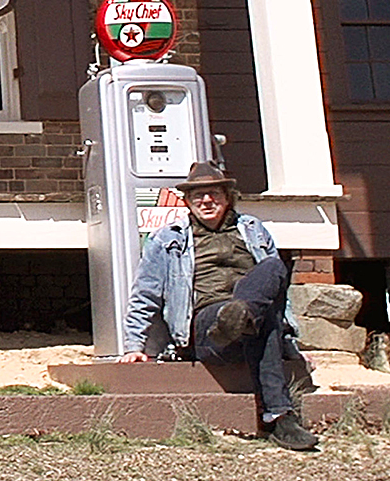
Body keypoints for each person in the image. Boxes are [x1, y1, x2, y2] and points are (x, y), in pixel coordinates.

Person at [120, 160, 320, 451]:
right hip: (208, 327)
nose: (206, 200)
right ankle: (279, 417)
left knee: (273, 270)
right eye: (198, 195)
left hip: (253, 317)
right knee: (256, 320)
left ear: (228, 198)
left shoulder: (252, 229)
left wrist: (290, 344)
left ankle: (240, 314)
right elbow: (145, 294)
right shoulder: (168, 238)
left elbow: (278, 294)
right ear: (187, 202)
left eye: (214, 193)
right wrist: (134, 346)